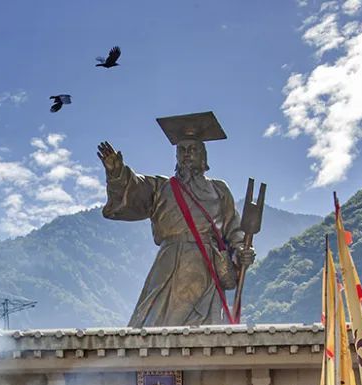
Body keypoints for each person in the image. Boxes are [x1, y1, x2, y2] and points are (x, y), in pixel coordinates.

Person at [98, 111, 255, 327]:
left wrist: (240, 250)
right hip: (169, 263)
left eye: (193, 149)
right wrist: (117, 173)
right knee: (154, 325)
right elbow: (133, 189)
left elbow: (233, 228)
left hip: (206, 265)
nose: (187, 154)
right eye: (182, 150)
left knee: (205, 329)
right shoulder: (161, 187)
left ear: (203, 156)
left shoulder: (219, 189)